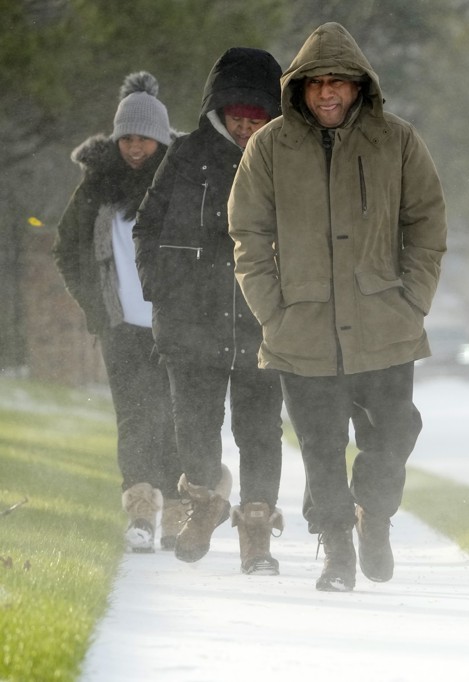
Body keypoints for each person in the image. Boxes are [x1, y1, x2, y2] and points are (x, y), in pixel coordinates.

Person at [228, 22, 447, 592]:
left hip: (384, 325)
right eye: (317, 82)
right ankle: (337, 552)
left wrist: (412, 301)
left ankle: (374, 514)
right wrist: (272, 310)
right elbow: (247, 234)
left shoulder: (398, 141)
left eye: (340, 82)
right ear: (299, 88)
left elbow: (426, 225)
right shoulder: (268, 147)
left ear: (360, 87)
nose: (328, 92)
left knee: (394, 432)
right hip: (301, 327)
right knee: (321, 447)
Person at [134, 48, 286, 575]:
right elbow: (147, 225)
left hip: (262, 322)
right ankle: (205, 501)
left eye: (257, 117)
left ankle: (257, 530)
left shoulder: (287, 158)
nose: (246, 127)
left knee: (260, 432)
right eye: (238, 116)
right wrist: (160, 288)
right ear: (219, 111)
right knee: (195, 428)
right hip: (189, 322)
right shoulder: (185, 154)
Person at [53, 72, 184, 553]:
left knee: (174, 417)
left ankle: (177, 511)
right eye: (127, 138)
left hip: (175, 325)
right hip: (121, 325)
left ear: (161, 139)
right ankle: (141, 511)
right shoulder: (96, 188)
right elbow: (67, 250)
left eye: (144, 139)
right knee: (133, 417)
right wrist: (95, 306)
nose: (134, 148)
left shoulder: (182, 184)